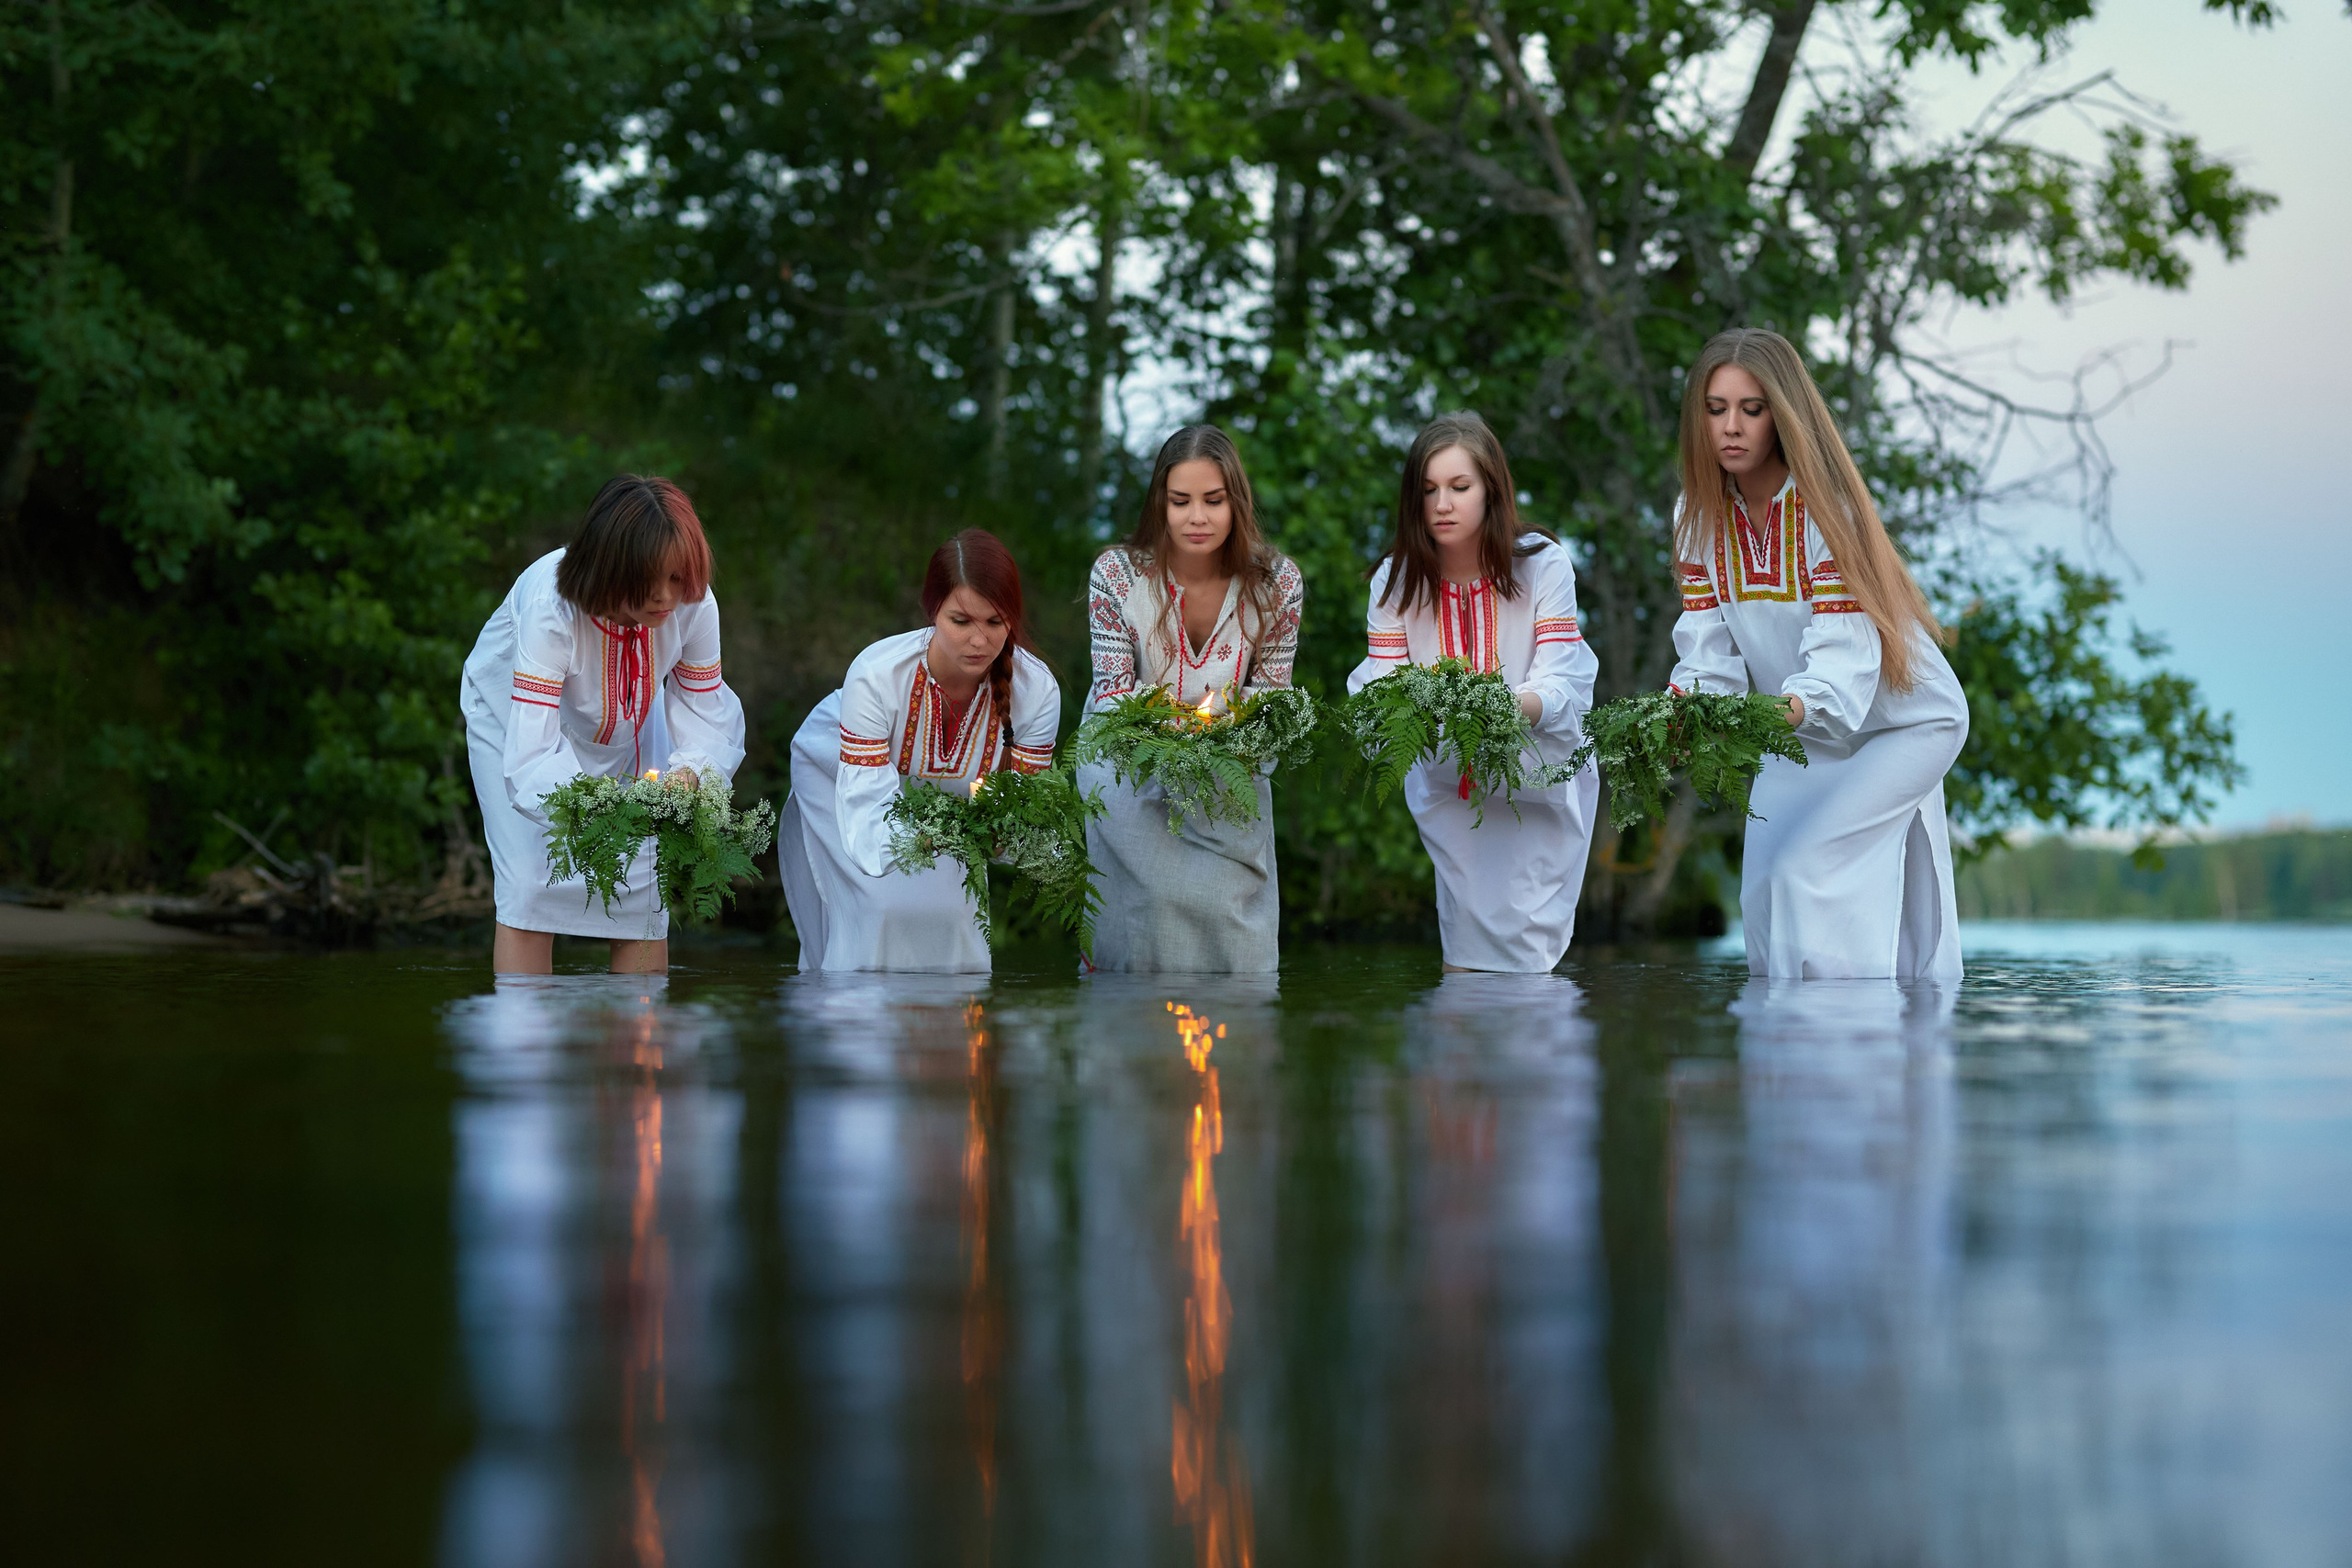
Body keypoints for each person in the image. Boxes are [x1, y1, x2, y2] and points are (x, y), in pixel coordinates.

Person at [1668, 326, 1969, 981]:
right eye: (1716, 409)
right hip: (1798, 725)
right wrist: (1690, 705)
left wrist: (1775, 713)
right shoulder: (1694, 516)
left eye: (1753, 408)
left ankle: (1848, 1054)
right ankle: (1795, 1065)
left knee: (1811, 874)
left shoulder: (1827, 512)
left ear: (1784, 412)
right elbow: (1707, 653)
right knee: (1765, 898)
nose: (1731, 427)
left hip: (1904, 724)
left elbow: (1840, 662)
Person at [460, 475, 747, 975]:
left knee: (643, 876)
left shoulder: (694, 604)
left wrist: (691, 776)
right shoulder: (552, 610)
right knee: (531, 880)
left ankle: (637, 1037)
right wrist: (603, 803)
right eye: (647, 580)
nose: (664, 597)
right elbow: (531, 757)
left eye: (677, 578)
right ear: (608, 568)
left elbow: (705, 709)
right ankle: (524, 1041)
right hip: (518, 716)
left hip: (631, 716)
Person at [1345, 412, 1600, 972]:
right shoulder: (1395, 578)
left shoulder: (1541, 564)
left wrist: (1503, 710)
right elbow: (1387, 694)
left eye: (1460, 488)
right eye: (1429, 490)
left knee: (1529, 960)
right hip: (1449, 783)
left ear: (1492, 490)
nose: (1442, 504)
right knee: (1463, 954)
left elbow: (1563, 681)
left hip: (1540, 777)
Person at [779, 529, 1059, 973]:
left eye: (995, 622)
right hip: (844, 778)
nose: (979, 641)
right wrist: (933, 835)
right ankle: (861, 1030)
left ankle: (955, 1031)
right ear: (932, 612)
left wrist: (998, 833)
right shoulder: (875, 673)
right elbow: (868, 823)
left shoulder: (1037, 690)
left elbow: (1025, 814)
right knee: (878, 910)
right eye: (961, 621)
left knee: (955, 916)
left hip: (949, 806)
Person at [1081, 425, 1305, 973]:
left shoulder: (1277, 582)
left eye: (1213, 501)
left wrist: (1220, 724)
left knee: (1231, 921)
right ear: (1160, 503)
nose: (1196, 518)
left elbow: (1271, 698)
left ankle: (1237, 1043)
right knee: (1150, 910)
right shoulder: (1116, 575)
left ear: (1237, 503)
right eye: (1180, 501)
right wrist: (1177, 727)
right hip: (1128, 762)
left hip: (1229, 764)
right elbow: (1113, 694)